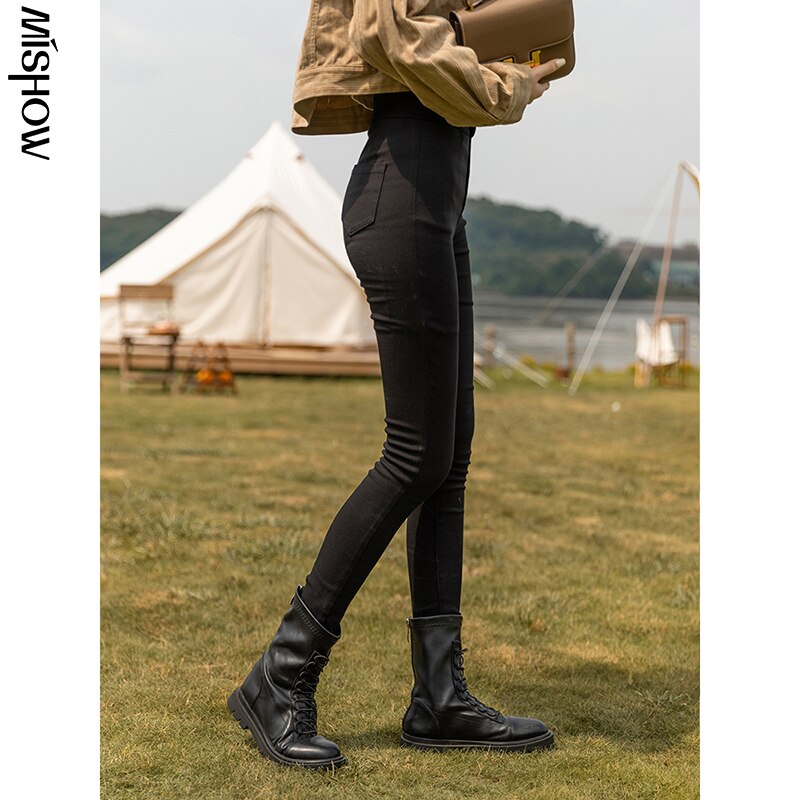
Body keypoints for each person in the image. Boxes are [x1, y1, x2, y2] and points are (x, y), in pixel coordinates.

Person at [227, 0, 565, 770]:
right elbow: (391, 34)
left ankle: (439, 696)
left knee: (447, 460)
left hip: (434, 198)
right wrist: (507, 86)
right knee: (415, 455)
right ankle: (281, 673)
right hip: (403, 192)